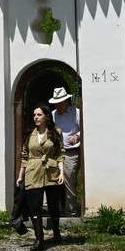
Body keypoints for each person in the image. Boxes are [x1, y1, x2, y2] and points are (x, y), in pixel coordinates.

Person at [16, 102, 66, 251]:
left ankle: (56, 232)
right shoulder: (29, 135)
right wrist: (20, 176)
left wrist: (62, 172)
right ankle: (39, 239)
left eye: (39, 115)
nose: (36, 118)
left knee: (53, 205)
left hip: (51, 172)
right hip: (33, 172)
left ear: (46, 117)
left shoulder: (56, 132)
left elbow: (60, 154)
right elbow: (25, 156)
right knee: (35, 206)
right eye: (34, 115)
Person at [49, 86, 82, 216]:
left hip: (71, 152)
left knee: (69, 181)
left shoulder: (77, 112)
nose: (57, 105)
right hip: (55, 152)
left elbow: (84, 128)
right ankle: (52, 210)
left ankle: (71, 212)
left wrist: (77, 135)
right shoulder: (52, 115)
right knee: (51, 180)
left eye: (60, 102)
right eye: (56, 103)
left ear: (66, 102)